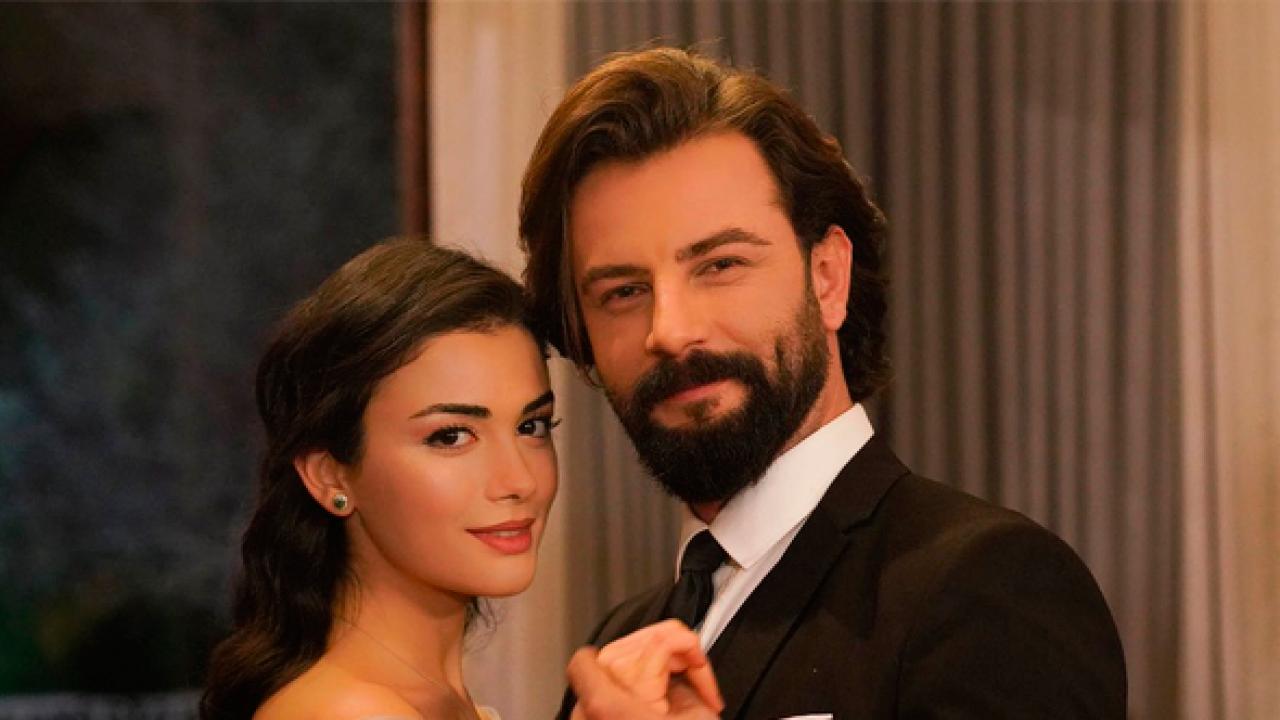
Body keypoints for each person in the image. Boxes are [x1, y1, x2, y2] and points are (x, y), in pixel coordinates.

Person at [520, 48, 1128, 718]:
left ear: (828, 277)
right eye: (623, 292)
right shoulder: (617, 651)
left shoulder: (986, 586)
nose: (668, 329)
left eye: (720, 265)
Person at [200, 238, 720, 720]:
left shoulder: (442, 703)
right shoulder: (348, 712)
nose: (518, 480)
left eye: (531, 427)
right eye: (450, 436)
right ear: (329, 475)